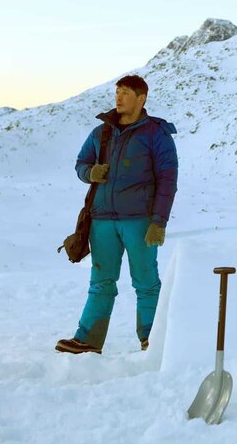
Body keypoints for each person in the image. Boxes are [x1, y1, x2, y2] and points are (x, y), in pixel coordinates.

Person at [56, 75, 178, 354]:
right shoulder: (101, 132)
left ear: (141, 98)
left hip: (139, 222)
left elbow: (168, 180)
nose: (118, 97)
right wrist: (90, 172)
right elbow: (81, 163)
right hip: (102, 221)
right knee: (101, 282)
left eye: (125, 93)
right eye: (117, 92)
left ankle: (151, 340)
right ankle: (87, 340)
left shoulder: (156, 134)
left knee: (146, 282)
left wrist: (159, 221)